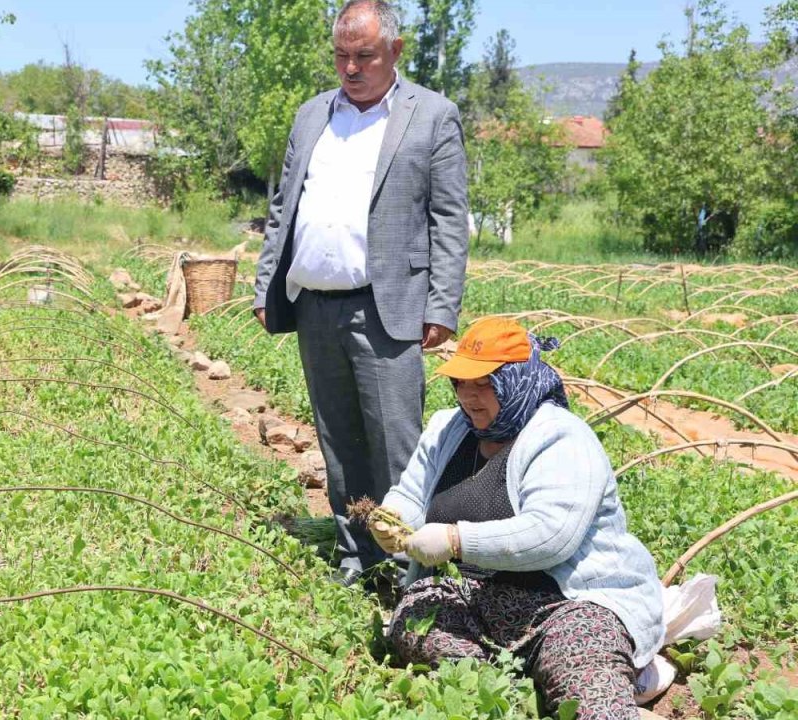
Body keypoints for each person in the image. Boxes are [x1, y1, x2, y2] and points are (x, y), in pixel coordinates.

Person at [252, 0, 470, 586]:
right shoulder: (311, 116)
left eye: (364, 56)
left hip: (387, 307)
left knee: (396, 445)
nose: (351, 68)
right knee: (339, 444)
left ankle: (410, 570)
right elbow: (283, 210)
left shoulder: (432, 116)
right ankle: (357, 557)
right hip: (316, 305)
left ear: (395, 52)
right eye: (342, 56)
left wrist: (441, 305)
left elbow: (450, 219)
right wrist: (264, 280)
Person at [370, 317, 664, 720]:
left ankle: (597, 679)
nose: (469, 397)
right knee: (416, 620)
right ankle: (513, 690)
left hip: (566, 605)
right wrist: (393, 517)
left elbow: (550, 535)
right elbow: (411, 493)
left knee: (585, 673)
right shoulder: (448, 428)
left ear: (517, 380)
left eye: (484, 384)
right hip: (478, 599)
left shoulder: (561, 438)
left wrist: (457, 541)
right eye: (460, 383)